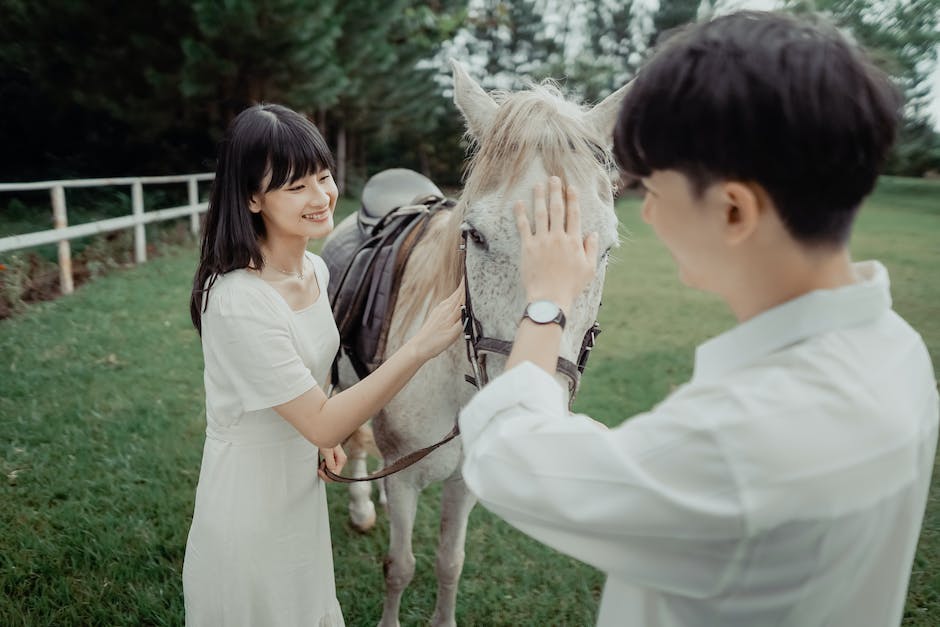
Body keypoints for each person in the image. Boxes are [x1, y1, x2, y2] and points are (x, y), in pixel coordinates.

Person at [458, 11, 939, 627]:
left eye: (653, 190)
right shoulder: (897, 349)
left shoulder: (735, 440)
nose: (648, 216)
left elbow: (507, 454)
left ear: (733, 211)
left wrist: (546, 300)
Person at [183, 103, 463, 626]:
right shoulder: (239, 299)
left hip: (300, 486)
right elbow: (320, 417)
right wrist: (419, 346)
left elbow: (314, 395)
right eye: (295, 187)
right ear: (250, 198)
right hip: (251, 499)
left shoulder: (315, 269)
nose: (321, 197)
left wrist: (323, 436)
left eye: (324, 176)